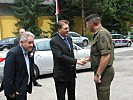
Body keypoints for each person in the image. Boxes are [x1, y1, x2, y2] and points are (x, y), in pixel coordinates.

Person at [50, 20, 87, 100]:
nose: (68, 30)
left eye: (68, 28)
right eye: (65, 28)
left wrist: (78, 60)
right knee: (61, 97)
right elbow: (60, 56)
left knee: (72, 96)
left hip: (71, 73)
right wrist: (76, 61)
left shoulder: (69, 39)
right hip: (61, 75)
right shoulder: (54, 41)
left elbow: (70, 54)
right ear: (59, 30)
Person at [85, 14, 115, 100]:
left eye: (87, 24)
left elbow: (105, 55)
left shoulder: (102, 34)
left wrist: (98, 74)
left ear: (91, 23)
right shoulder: (99, 33)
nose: (87, 27)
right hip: (103, 71)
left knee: (103, 97)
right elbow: (98, 53)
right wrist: (88, 59)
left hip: (104, 72)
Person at [3, 32, 34, 100]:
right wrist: (11, 92)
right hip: (15, 92)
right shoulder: (13, 54)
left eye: (32, 42)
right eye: (29, 43)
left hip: (23, 88)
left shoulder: (28, 52)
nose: (32, 45)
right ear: (21, 42)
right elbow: (8, 75)